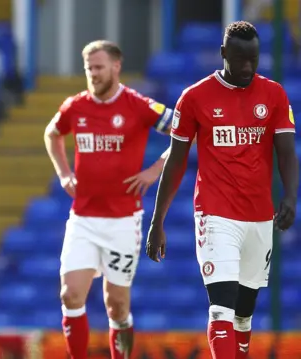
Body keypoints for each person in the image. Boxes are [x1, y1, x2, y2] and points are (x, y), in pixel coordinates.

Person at [146, 21, 298, 359]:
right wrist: (158, 222)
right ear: (223, 54)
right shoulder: (195, 98)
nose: (247, 67)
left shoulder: (273, 95)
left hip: (259, 215)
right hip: (215, 214)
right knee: (221, 308)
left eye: (253, 60)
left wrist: (289, 196)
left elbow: (286, 151)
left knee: (244, 313)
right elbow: (176, 162)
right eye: (240, 59)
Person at [44, 40, 173, 359]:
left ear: (116, 66)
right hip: (84, 219)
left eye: (99, 67)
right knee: (70, 295)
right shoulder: (76, 106)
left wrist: (156, 169)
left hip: (123, 222)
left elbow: (185, 130)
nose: (93, 74)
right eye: (89, 68)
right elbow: (52, 133)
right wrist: (63, 172)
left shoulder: (138, 105)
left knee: (116, 305)